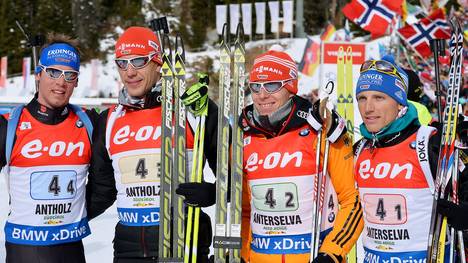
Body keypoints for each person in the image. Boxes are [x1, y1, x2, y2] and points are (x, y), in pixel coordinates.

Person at [85, 26, 218, 263]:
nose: (130, 71)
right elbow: (103, 191)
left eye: (138, 61)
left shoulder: (194, 111)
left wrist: (213, 192)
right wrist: (59, 216)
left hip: (185, 245)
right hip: (129, 251)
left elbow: (235, 177)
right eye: (122, 63)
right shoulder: (110, 120)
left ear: (158, 64)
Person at [240, 47, 364, 263]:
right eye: (256, 86)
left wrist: (332, 253)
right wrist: (241, 254)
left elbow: (353, 200)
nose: (262, 94)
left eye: (272, 85)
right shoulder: (244, 134)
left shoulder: (322, 127)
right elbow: (245, 210)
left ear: (290, 88)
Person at [354, 55, 467, 262]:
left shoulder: (430, 143)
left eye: (379, 98)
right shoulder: (359, 149)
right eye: (362, 98)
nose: (368, 108)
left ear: (399, 103)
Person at [0, 33, 98, 263]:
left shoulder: (89, 123)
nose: (60, 82)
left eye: (69, 75)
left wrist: (76, 213)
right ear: (38, 75)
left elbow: (106, 183)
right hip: (25, 250)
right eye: (53, 72)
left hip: (71, 248)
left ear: (76, 81)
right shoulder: (9, 125)